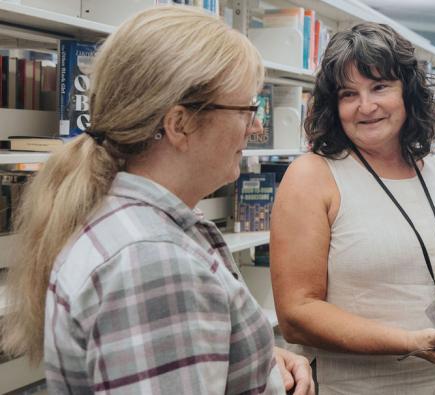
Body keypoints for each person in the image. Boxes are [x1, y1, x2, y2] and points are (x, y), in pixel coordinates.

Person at [1, 6, 313, 394]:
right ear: (179, 124)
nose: (257, 125)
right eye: (246, 109)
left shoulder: (131, 218)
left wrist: (258, 362)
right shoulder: (151, 261)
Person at [270, 22, 435, 394]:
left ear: (408, 92)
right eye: (348, 94)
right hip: (350, 386)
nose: (365, 106)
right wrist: (411, 342)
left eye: (379, 87)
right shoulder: (313, 176)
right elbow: (296, 315)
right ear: (333, 106)